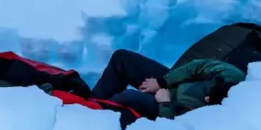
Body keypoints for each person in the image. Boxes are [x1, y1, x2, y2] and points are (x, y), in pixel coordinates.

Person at [90, 49, 245, 119]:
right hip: (174, 84)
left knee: (125, 98)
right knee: (122, 58)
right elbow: (197, 66)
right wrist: (161, 82)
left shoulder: (221, 120)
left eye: (209, 102)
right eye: (208, 95)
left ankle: (96, 120)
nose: (205, 99)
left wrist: (164, 103)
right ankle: (88, 106)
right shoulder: (230, 75)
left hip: (170, 108)